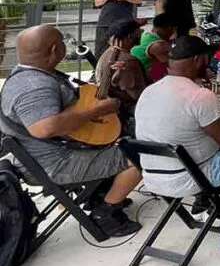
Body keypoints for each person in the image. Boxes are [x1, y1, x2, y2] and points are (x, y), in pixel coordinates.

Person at [0, 25, 141, 236]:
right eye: (63, 42)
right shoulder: (34, 85)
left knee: (120, 137)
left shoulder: (30, 75)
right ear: (54, 49)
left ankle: (98, 195)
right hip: (56, 164)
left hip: (53, 155)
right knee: (142, 154)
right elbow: (45, 127)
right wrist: (97, 110)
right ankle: (106, 213)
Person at [134, 36, 220, 201]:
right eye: (207, 58)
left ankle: (210, 201)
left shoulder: (149, 91)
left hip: (154, 177)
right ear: (198, 59)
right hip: (192, 175)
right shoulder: (199, 96)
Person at [94, 18, 148, 127]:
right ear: (130, 35)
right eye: (139, 31)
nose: (141, 33)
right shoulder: (128, 62)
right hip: (127, 112)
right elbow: (138, 96)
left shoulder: (106, 53)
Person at [130, 13, 175, 82]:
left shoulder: (146, 33)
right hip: (142, 77)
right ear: (161, 29)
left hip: (135, 70)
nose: (173, 32)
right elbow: (171, 65)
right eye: (171, 29)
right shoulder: (158, 46)